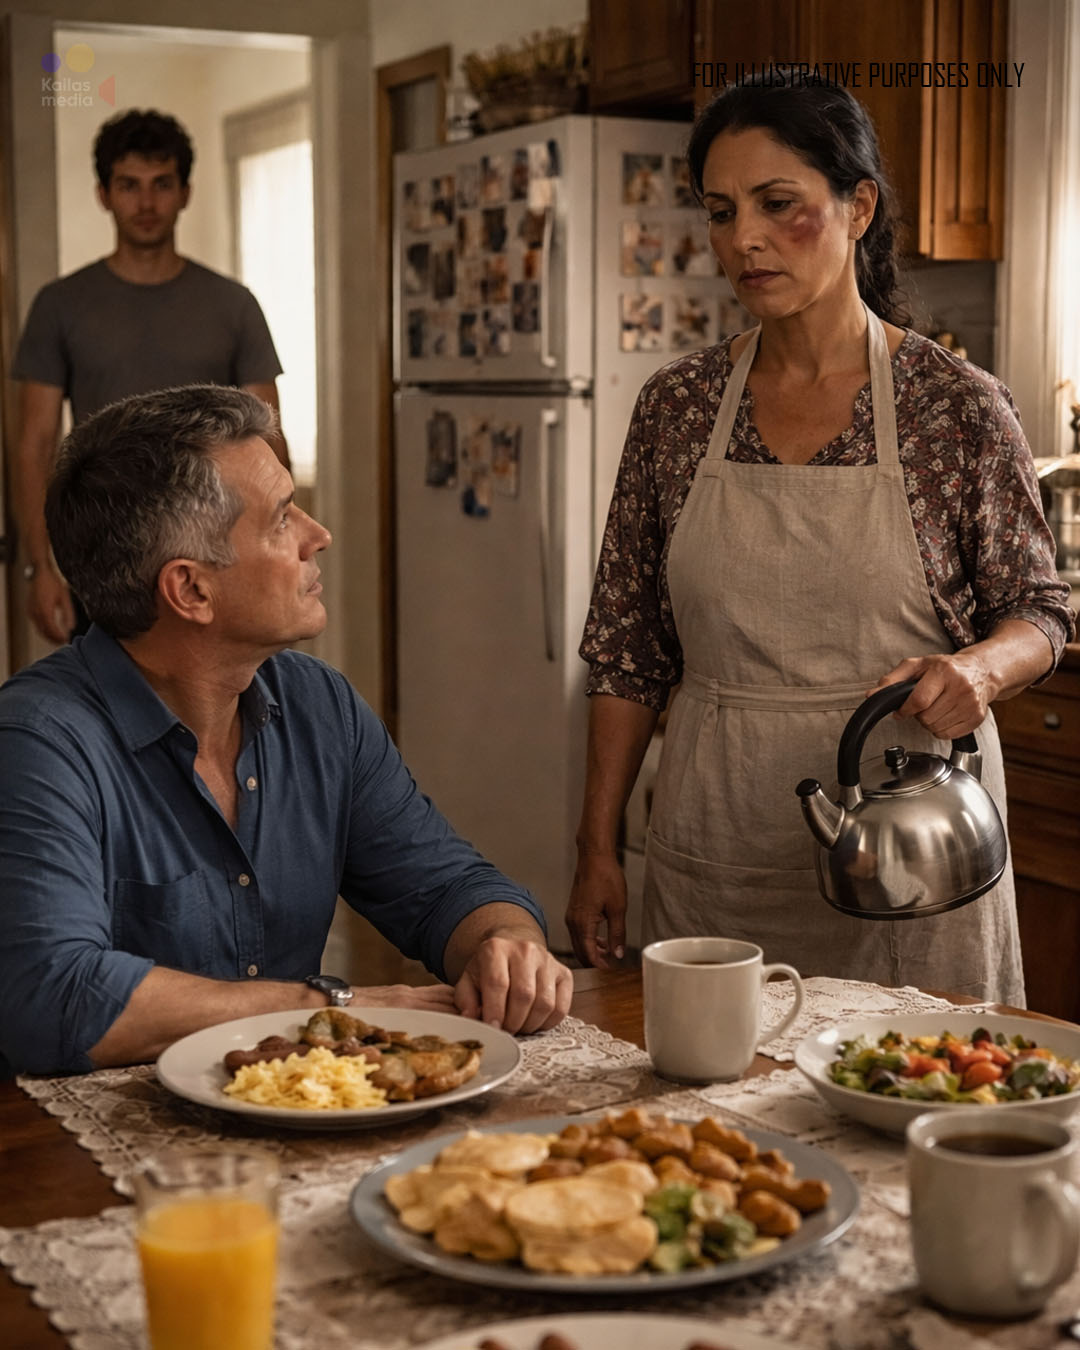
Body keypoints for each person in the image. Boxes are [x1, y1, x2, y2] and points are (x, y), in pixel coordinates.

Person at [567, 79, 1075, 1003]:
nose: (742, 240)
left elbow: (1039, 608)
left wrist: (984, 671)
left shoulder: (954, 405)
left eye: (778, 206)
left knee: (919, 1098)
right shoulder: (676, 409)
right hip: (717, 835)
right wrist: (596, 848)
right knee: (712, 1127)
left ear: (859, 207)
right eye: (721, 213)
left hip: (913, 837)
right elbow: (627, 652)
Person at [0, 385, 572, 1076]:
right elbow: (53, 997)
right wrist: (321, 1005)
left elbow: (445, 885)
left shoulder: (317, 704)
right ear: (191, 591)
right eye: (281, 518)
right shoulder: (36, 742)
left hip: (295, 1120)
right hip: (73, 1158)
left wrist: (504, 942)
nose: (317, 534)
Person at [12, 108, 288, 644]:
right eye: (129, 185)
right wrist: (39, 566)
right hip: (102, 551)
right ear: (104, 194)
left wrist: (276, 546)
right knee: (109, 710)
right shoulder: (60, 305)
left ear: (184, 192)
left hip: (217, 545)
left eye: (161, 185)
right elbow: (34, 444)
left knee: (222, 703)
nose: (145, 203)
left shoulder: (233, 305)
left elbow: (270, 438)